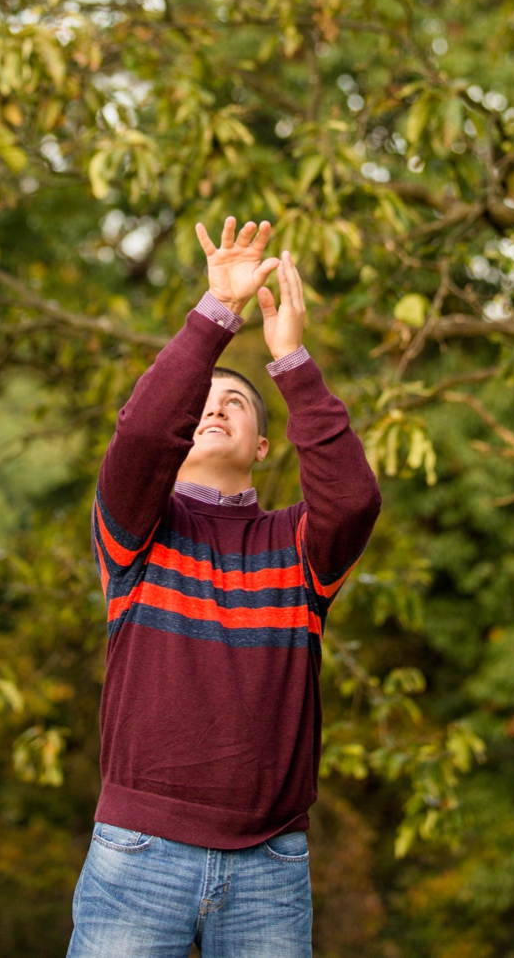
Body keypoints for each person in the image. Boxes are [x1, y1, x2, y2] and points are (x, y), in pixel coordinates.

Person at [69, 216, 383, 956]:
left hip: (270, 866)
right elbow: (143, 436)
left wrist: (292, 361)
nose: (214, 407)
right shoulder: (135, 531)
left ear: (262, 445)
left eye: (235, 403)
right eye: (203, 401)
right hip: (137, 855)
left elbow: (354, 500)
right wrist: (216, 317)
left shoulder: (297, 547)